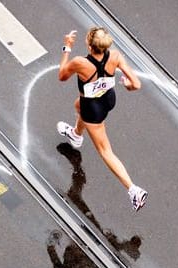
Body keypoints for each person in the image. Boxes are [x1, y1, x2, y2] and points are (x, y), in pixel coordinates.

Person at [57, 27, 147, 211]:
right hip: (108, 99)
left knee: (106, 151)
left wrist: (66, 48)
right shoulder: (115, 56)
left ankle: (133, 191)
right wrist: (127, 86)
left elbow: (62, 76)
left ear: (90, 46)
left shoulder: (79, 62)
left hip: (93, 110)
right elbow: (136, 84)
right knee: (78, 105)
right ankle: (75, 134)